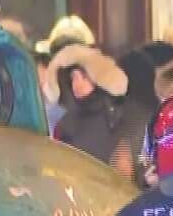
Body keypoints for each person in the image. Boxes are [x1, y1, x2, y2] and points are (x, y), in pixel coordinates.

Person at [48, 44, 151, 186]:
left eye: (82, 77)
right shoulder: (66, 124)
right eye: (73, 78)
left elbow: (143, 161)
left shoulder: (129, 114)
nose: (76, 84)